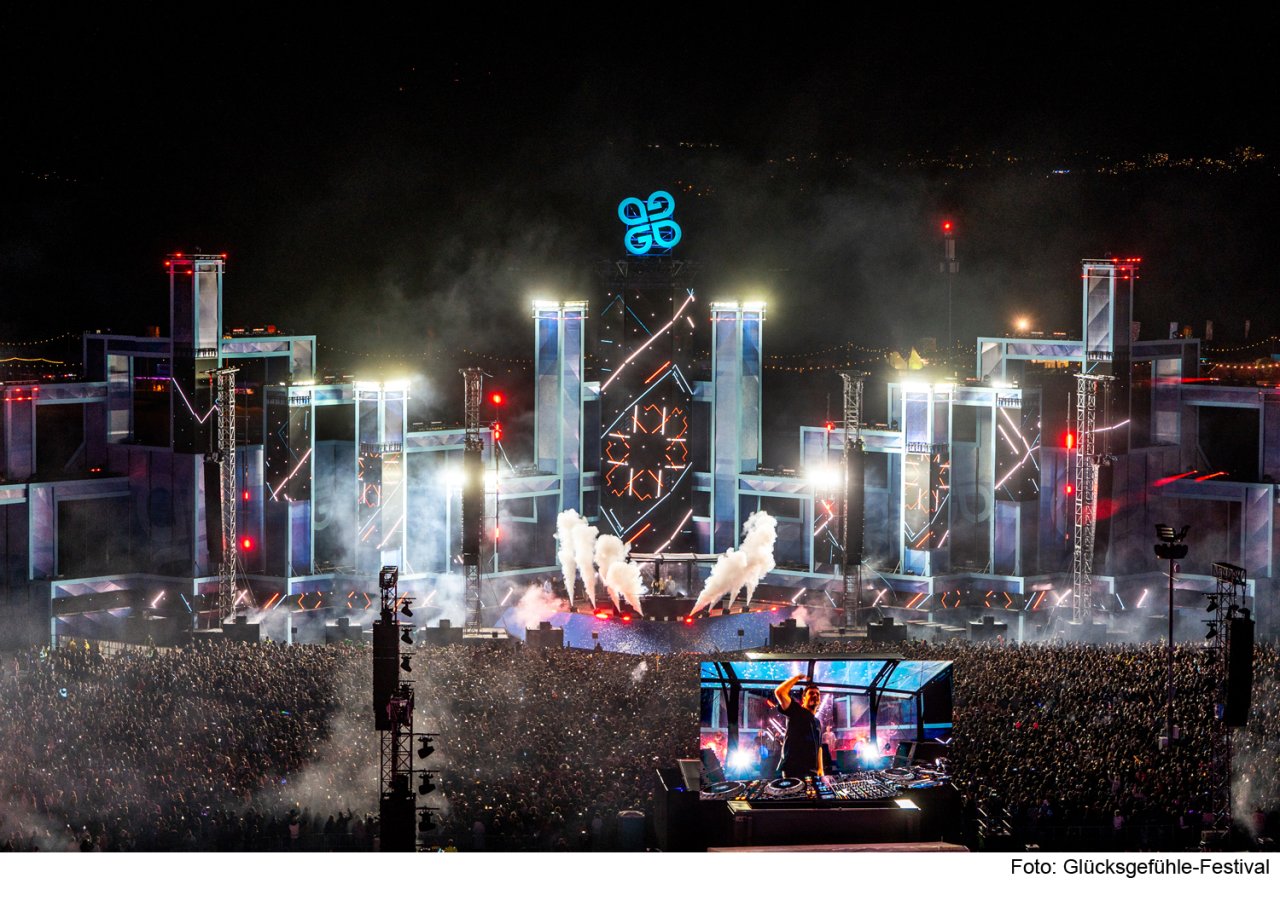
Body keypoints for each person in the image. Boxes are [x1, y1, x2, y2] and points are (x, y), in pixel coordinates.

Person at [773, 674, 823, 778]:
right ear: (803, 698)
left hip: (811, 771)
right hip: (793, 769)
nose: (815, 695)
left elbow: (819, 747)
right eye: (811, 693)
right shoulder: (796, 711)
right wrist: (797, 678)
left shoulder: (817, 722)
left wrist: (820, 769)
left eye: (817, 694)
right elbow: (780, 692)